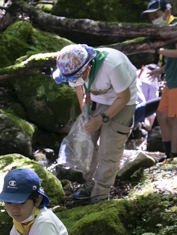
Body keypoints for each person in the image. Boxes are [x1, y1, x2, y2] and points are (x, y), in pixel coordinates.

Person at [53, 44, 137, 203]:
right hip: (96, 99)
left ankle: (100, 195)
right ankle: (91, 182)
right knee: (86, 142)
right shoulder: (77, 68)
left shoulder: (112, 66)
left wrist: (102, 119)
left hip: (122, 101)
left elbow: (124, 97)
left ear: (87, 69)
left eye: (74, 77)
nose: (72, 81)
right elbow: (79, 88)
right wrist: (85, 111)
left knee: (109, 148)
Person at [142, 0, 177, 160]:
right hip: (172, 79)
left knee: (173, 119)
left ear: (167, 11)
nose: (154, 20)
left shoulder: (175, 28)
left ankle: (174, 155)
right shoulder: (166, 30)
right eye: (151, 18)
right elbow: (174, 58)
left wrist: (159, 50)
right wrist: (160, 70)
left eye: (156, 15)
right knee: (161, 115)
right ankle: (167, 153)